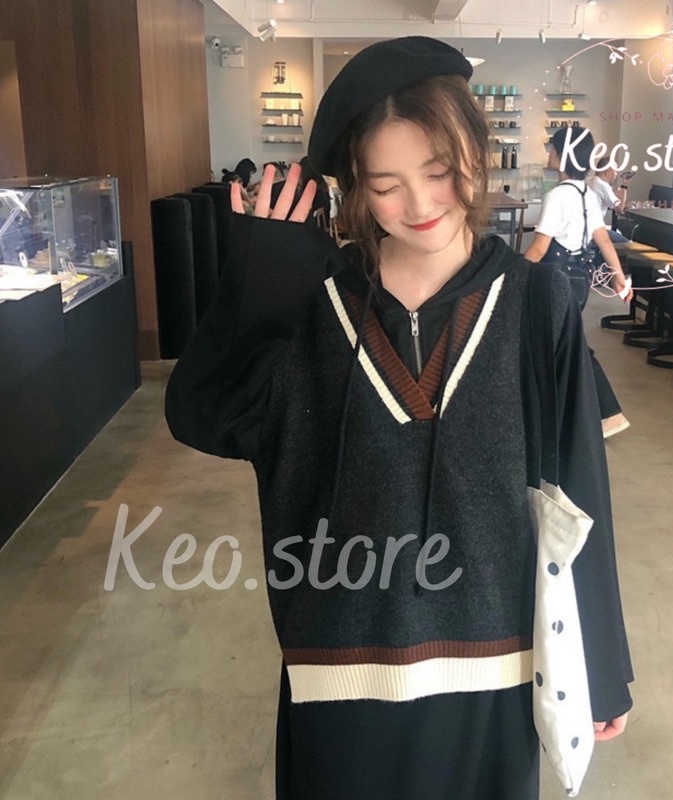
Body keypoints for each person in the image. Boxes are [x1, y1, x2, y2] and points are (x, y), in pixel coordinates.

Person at [165, 37, 632, 800]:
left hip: (495, 667)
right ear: (356, 187)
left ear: (476, 152)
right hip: (341, 671)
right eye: (386, 185)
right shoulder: (316, 303)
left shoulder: (535, 302)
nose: (419, 205)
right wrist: (262, 279)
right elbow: (206, 417)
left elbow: (579, 490)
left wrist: (603, 666)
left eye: (439, 171)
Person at [525, 126, 633, 438]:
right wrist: (619, 278)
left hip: (556, 281)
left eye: (553, 149)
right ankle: (572, 414)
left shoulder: (557, 196)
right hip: (580, 280)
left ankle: (607, 413)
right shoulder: (587, 194)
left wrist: (510, 277)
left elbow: (539, 249)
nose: (549, 154)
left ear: (564, 156)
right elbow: (604, 241)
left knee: (568, 345)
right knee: (560, 343)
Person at [587, 156, 629, 243]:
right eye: (615, 171)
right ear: (607, 171)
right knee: (626, 243)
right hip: (595, 230)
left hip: (584, 228)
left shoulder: (589, 181)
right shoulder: (603, 186)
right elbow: (620, 209)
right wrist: (625, 185)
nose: (616, 174)